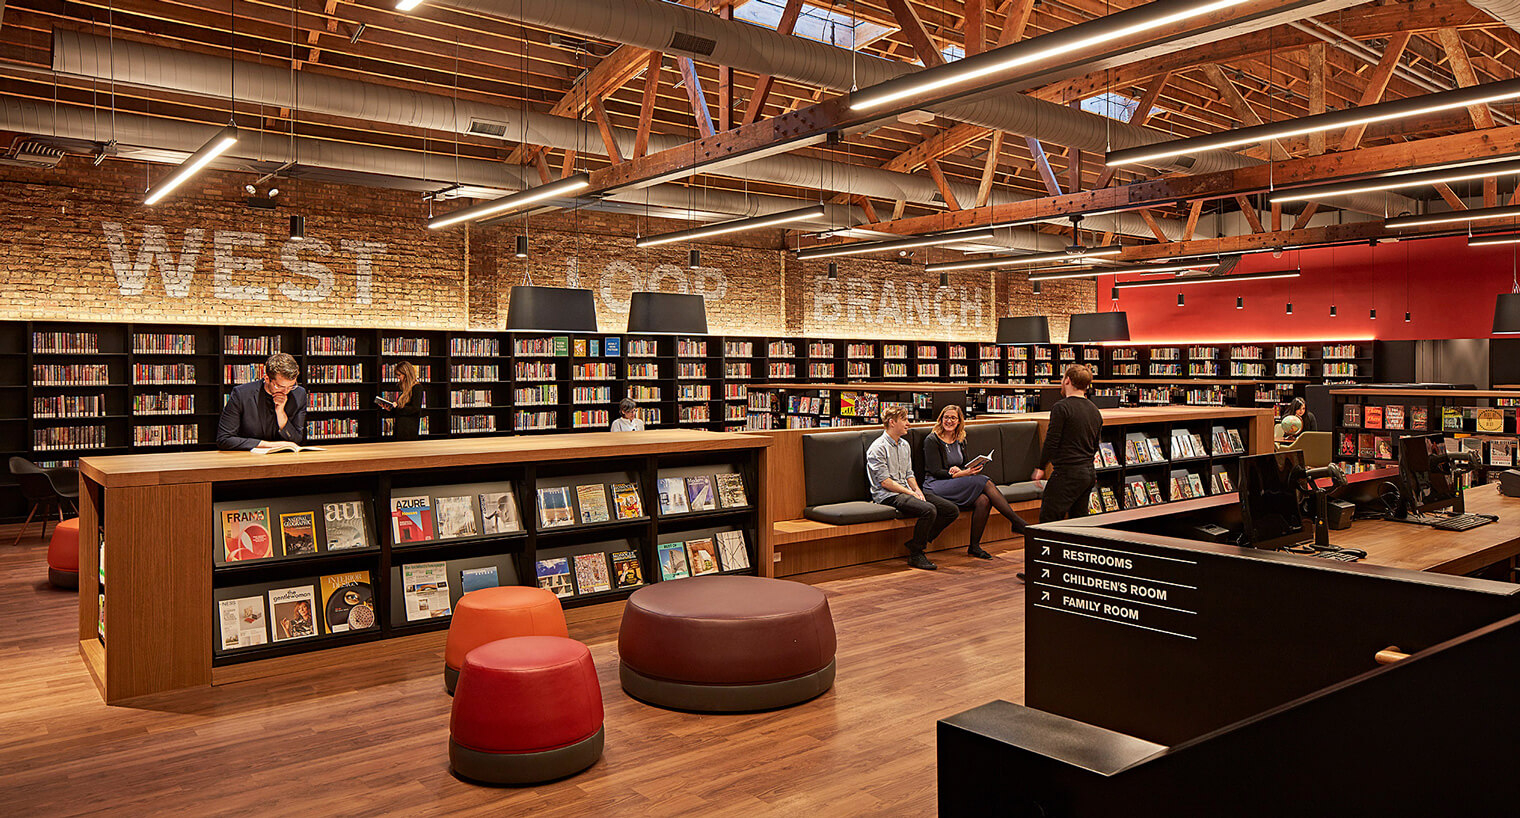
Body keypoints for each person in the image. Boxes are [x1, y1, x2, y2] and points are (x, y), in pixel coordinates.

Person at [922, 404, 1030, 560]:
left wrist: (966, 468)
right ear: (940, 419)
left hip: (955, 482)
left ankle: (974, 546)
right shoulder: (932, 440)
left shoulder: (960, 439)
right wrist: (960, 473)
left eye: (953, 418)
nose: (949, 421)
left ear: (959, 421)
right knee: (984, 481)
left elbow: (963, 464)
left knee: (984, 500)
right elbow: (934, 471)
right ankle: (1016, 522)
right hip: (935, 484)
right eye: (946, 417)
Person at [868, 405, 959, 570]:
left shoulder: (904, 445)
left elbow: (909, 473)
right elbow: (885, 482)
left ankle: (915, 543)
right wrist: (910, 492)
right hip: (887, 495)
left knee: (951, 510)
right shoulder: (878, 448)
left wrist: (917, 490)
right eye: (904, 420)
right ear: (892, 422)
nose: (908, 423)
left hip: (906, 491)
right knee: (929, 510)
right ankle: (916, 554)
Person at [1034, 364, 1104, 523]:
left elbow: (1052, 441)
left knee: (1049, 518)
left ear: (1067, 381)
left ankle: (1049, 548)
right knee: (1078, 520)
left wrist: (1041, 467)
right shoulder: (1094, 410)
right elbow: (1095, 444)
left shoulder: (1061, 407)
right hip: (1088, 473)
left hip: (1067, 472)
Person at [217, 352, 307, 451]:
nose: (286, 392)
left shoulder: (298, 394)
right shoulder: (242, 394)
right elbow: (224, 439)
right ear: (267, 378)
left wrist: (280, 413)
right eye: (280, 386)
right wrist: (269, 445)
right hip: (249, 458)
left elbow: (296, 439)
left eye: (291, 386)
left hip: (285, 460)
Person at [379, 361, 422, 441]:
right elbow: (399, 411)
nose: (398, 378)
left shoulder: (417, 388)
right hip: (400, 428)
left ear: (407, 374)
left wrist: (398, 407)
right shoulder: (405, 390)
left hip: (408, 430)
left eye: (399, 375)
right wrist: (390, 408)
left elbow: (415, 409)